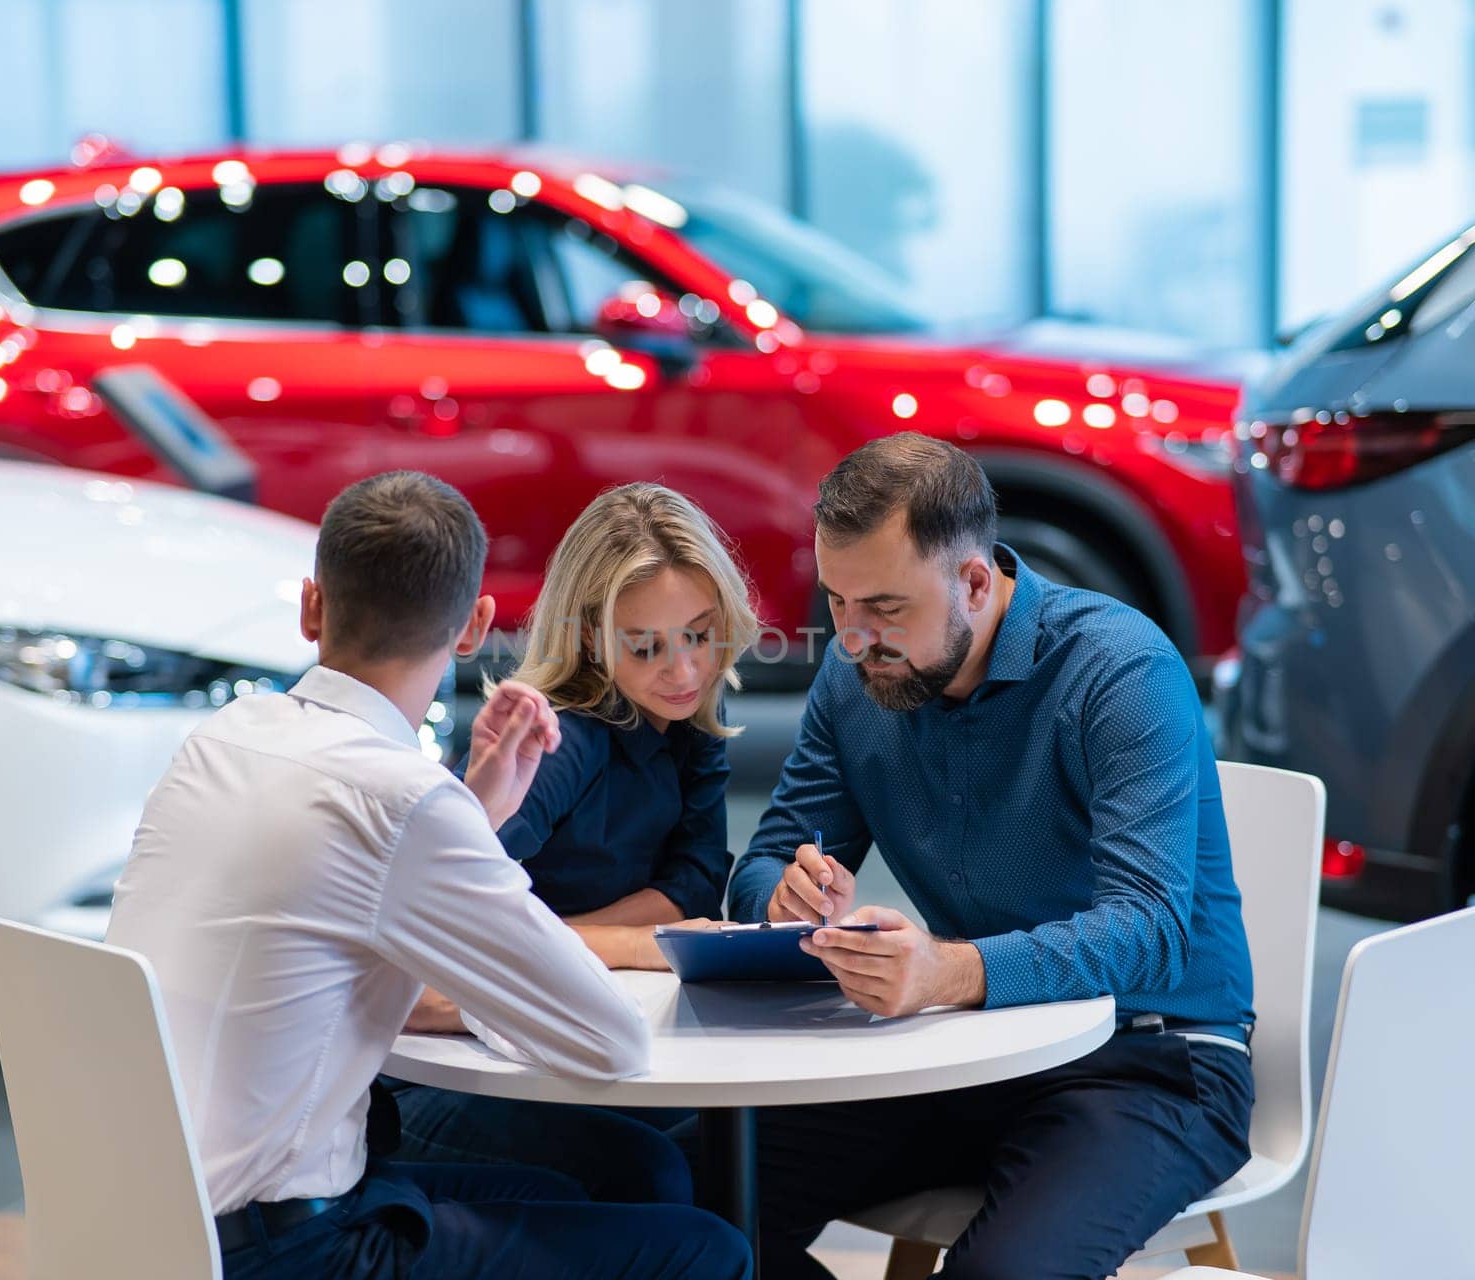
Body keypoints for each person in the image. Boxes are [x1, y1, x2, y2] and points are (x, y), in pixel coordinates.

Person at [105, 471, 751, 1280]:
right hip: (298, 1247)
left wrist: (472, 817)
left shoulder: (223, 738)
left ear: (312, 606)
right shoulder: (405, 799)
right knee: (711, 1251)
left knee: (624, 1179)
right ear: (478, 624)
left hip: (157, 1216)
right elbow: (609, 1041)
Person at [722, 433, 1256, 1280]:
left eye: (886, 609)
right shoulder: (852, 680)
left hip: (1153, 1059)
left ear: (975, 581)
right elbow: (756, 871)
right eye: (836, 601)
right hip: (968, 1049)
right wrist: (782, 900)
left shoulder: (1119, 670)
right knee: (695, 1195)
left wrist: (948, 973)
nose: (854, 639)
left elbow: (1151, 932)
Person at [391, 481, 761, 1202]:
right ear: (591, 635)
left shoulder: (689, 718)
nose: (684, 670)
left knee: (752, 1144)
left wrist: (556, 939)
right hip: (437, 1069)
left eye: (700, 632)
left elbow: (690, 890)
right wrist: (633, 943)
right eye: (647, 646)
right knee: (660, 1173)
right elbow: (435, 948)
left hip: (559, 1038)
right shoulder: (557, 741)